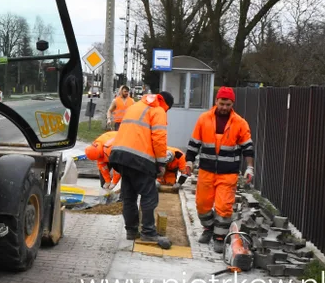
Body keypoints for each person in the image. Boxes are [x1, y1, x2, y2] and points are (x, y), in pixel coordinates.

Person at [185, 86, 255, 246]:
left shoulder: (240, 123)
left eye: (228, 104)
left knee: (224, 207)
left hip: (228, 173)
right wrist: (189, 161)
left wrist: (250, 167)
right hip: (206, 171)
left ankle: (219, 237)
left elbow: (248, 147)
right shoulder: (204, 119)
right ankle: (208, 228)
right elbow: (194, 142)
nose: (224, 107)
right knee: (202, 205)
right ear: (216, 101)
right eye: (222, 103)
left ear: (232, 104)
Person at [108, 90, 175, 248]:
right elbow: (159, 138)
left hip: (120, 156)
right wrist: (161, 164)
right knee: (149, 196)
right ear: (166, 104)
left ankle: (131, 231)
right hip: (139, 159)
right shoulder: (158, 110)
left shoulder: (136, 105)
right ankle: (148, 233)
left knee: (129, 196)